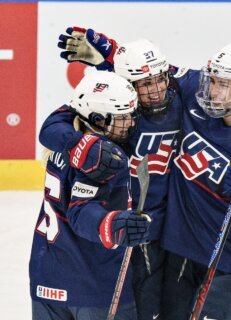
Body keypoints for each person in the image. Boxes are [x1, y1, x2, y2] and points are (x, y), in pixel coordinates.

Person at [51, 27, 231, 320]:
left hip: (228, 263)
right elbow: (145, 74)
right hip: (177, 251)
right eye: (213, 81)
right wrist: (112, 56)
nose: (214, 91)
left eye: (225, 85)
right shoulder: (193, 93)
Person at [45, 32, 183, 320]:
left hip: (157, 230)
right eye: (144, 84)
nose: (155, 91)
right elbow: (51, 127)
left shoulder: (177, 96)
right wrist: (78, 145)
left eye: (159, 79)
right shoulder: (109, 104)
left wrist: (112, 54)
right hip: (112, 232)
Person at [30, 70, 152, 319]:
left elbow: (63, 115)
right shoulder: (106, 158)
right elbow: (81, 210)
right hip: (94, 286)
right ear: (98, 119)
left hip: (47, 277)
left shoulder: (64, 139)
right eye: (122, 117)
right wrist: (111, 225)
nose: (130, 123)